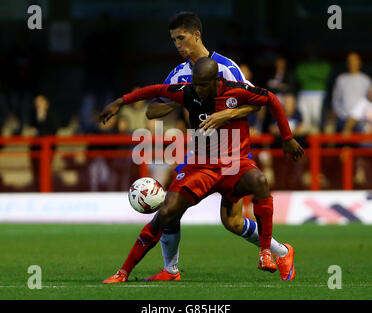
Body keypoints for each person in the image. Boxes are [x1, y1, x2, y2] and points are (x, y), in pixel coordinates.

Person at [99, 57, 304, 283]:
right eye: (195, 83)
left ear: (216, 81)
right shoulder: (188, 93)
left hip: (232, 164)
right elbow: (153, 90)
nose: (197, 89)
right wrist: (120, 101)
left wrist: (287, 138)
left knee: (259, 181)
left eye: (202, 84)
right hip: (200, 165)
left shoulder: (237, 91)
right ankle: (124, 272)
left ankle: (267, 253)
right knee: (167, 213)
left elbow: (271, 99)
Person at [140, 12, 297, 282]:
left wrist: (227, 114)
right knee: (171, 208)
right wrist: (186, 97)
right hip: (199, 156)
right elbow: (152, 111)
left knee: (233, 222)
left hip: (231, 155)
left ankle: (281, 251)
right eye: (173, 40)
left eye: (181, 38)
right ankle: (170, 269)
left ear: (197, 35)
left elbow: (258, 101)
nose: (177, 44)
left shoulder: (225, 68)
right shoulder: (178, 74)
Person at [332, 52, 372, 132]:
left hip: (362, 121)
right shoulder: (341, 79)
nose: (352, 63)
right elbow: (335, 100)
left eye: (354, 61)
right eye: (350, 61)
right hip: (343, 119)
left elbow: (368, 101)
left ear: (359, 62)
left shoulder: (366, 80)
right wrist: (341, 114)